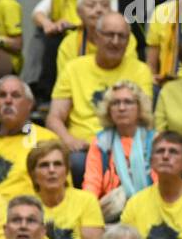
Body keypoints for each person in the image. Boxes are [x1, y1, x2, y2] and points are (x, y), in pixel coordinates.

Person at [47, 13, 153, 184]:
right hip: (83, 148)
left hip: (128, 144)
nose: (115, 41)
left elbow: (143, 116)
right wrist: (69, 140)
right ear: (96, 37)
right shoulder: (74, 68)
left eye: (122, 36)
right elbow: (54, 117)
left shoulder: (140, 70)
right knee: (77, 162)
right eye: (109, 35)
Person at [0, 76, 57, 200]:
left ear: (29, 104)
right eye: (2, 95)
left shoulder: (46, 140)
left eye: (15, 95)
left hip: (25, 214)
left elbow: (59, 192)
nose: (8, 100)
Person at [82, 79, 156, 221]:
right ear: (109, 110)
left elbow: (160, 185)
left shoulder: (155, 141)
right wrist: (88, 213)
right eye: (115, 103)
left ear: (140, 108)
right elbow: (92, 183)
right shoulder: (101, 143)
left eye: (128, 102)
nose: (121, 108)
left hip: (149, 212)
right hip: (110, 213)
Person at [28, 140, 103, 239]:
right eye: (44, 165)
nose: (51, 170)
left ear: (67, 170)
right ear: (33, 174)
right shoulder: (25, 206)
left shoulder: (86, 201)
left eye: (57, 164)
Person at [32, 0, 93, 102]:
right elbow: (37, 13)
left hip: (87, 38)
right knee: (41, 37)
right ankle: (40, 91)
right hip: (61, 38)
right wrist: (49, 24)